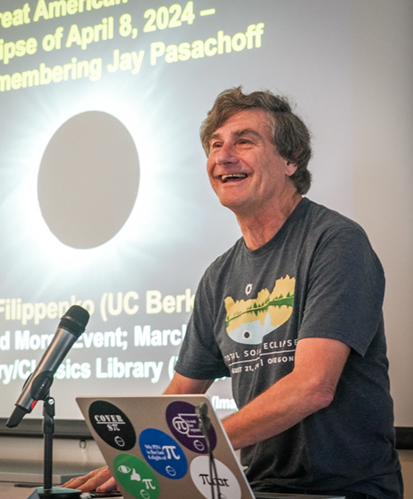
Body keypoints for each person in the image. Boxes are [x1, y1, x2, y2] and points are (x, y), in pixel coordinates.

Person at [64, 88, 403, 498]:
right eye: (215, 145)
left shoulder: (335, 242)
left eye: (244, 141)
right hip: (257, 487)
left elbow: (313, 385)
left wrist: (183, 448)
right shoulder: (219, 275)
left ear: (290, 160)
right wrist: (133, 461)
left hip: (346, 491)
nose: (223, 157)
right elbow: (181, 395)